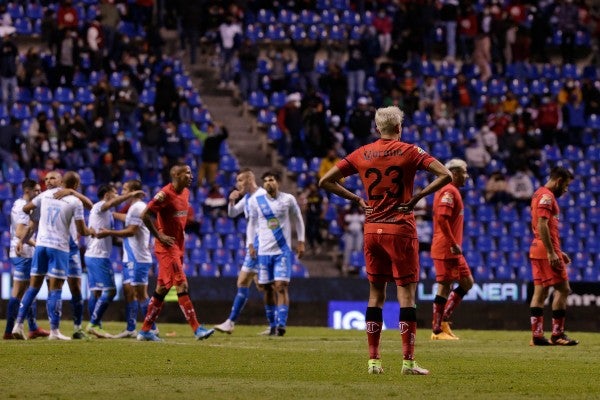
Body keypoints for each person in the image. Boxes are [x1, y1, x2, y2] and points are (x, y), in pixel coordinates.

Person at [319, 106, 452, 375]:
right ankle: (408, 362)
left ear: (377, 128)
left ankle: (374, 361)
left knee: (375, 295)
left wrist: (357, 199)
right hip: (400, 229)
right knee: (406, 296)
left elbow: (325, 181)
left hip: (372, 231)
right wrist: (416, 198)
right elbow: (446, 175)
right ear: (399, 128)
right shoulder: (411, 152)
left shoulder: (362, 153)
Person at [12, 171, 94, 340]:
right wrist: (92, 231)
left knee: (48, 287)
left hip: (52, 247)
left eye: (52, 178)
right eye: (46, 179)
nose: (48, 181)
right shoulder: (65, 200)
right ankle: (54, 331)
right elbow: (84, 227)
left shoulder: (47, 196)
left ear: (61, 181)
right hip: (60, 247)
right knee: (54, 288)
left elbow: (26, 209)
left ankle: (19, 325)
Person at [136, 164, 214, 341]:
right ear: (176, 175)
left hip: (178, 245)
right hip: (166, 247)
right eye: (187, 173)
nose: (191, 175)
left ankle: (145, 330)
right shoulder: (165, 194)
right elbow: (145, 215)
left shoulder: (186, 193)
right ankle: (197, 329)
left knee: (162, 288)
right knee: (182, 284)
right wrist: (159, 235)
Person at [246, 171, 306, 336]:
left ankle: (281, 324)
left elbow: (298, 219)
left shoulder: (288, 200)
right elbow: (251, 224)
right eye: (265, 181)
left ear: (278, 182)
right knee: (266, 288)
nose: (268, 183)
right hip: (263, 251)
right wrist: (250, 244)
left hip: (282, 251)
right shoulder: (257, 202)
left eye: (271, 180)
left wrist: (300, 241)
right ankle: (272, 324)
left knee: (280, 286)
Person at [214, 168, 271, 334]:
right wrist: (231, 201)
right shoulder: (247, 198)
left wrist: (257, 244)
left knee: (262, 286)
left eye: (240, 180)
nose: (237, 184)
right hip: (254, 245)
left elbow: (264, 221)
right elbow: (233, 213)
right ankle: (231, 322)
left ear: (249, 180)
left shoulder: (261, 196)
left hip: (261, 245)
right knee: (245, 282)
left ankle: (274, 323)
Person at [84, 183, 144, 338]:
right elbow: (112, 204)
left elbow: (120, 219)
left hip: (93, 254)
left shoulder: (106, 212)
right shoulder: (99, 206)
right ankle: (94, 324)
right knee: (110, 291)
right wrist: (131, 195)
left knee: (96, 293)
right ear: (107, 195)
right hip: (98, 256)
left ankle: (96, 326)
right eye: (115, 193)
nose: (118, 196)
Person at [96, 180, 154, 338]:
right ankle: (130, 328)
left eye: (125, 189)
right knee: (129, 292)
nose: (122, 192)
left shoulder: (138, 207)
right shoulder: (134, 208)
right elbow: (128, 219)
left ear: (134, 191)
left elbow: (131, 231)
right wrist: (111, 214)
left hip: (138, 257)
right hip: (131, 257)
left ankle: (151, 327)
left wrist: (108, 232)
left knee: (141, 294)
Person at [529, 166, 578, 346]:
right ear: (558, 181)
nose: (565, 190)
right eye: (565, 185)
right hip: (545, 250)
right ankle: (557, 335)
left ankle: (537, 336)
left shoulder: (538, 194)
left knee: (540, 291)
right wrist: (551, 251)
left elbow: (540, 225)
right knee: (563, 289)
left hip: (537, 248)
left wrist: (557, 250)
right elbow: (542, 224)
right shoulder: (547, 197)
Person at [430, 159, 474, 341]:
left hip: (451, 247)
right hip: (446, 247)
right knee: (444, 286)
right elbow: (442, 218)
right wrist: (452, 242)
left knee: (467, 282)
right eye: (464, 172)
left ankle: (444, 321)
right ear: (454, 174)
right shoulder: (448, 190)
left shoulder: (451, 191)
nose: (467, 176)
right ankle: (437, 330)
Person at [3, 179, 49, 340]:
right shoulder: (21, 208)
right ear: (27, 191)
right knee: (20, 291)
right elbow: (20, 233)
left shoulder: (23, 204)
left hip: (25, 253)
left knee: (30, 291)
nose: (38, 193)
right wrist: (38, 243)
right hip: (23, 253)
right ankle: (9, 331)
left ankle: (33, 328)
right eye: (36, 191)